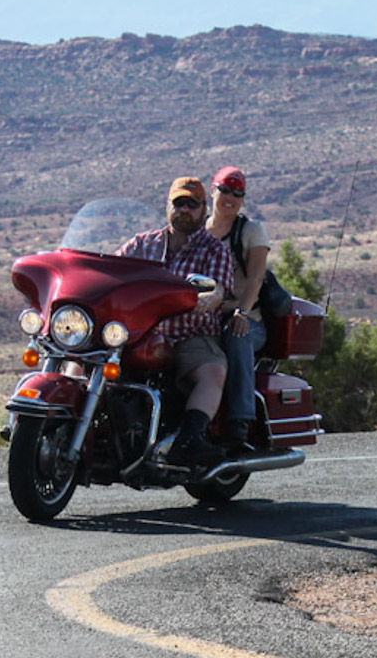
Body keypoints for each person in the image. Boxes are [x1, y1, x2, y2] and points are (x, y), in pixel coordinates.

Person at [114, 176, 237, 466]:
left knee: (213, 372)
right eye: (178, 203)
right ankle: (51, 419)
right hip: (140, 334)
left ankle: (190, 439)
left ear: (204, 209)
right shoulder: (142, 244)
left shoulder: (213, 249)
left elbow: (219, 287)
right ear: (167, 206)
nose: (184, 210)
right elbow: (112, 272)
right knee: (84, 355)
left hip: (189, 336)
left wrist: (209, 297)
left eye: (192, 205)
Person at [205, 166, 272, 449]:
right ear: (213, 190)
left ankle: (240, 422)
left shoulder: (251, 231)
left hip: (247, 319)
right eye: (225, 190)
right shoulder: (198, 232)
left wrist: (241, 312)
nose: (230, 198)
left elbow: (256, 277)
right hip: (204, 317)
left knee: (236, 334)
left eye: (238, 193)